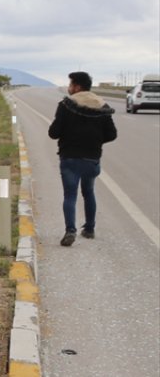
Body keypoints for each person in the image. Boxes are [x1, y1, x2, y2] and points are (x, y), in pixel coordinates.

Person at [48, 71, 117, 246]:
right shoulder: (101, 105)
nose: (69, 87)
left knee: (70, 195)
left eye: (70, 84)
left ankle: (70, 230)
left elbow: (54, 133)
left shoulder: (66, 105)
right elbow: (112, 134)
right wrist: (95, 141)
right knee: (89, 192)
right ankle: (90, 229)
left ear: (77, 87)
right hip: (92, 159)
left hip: (70, 158)